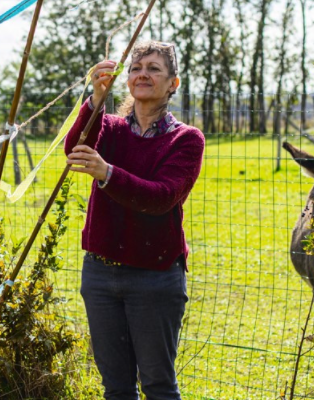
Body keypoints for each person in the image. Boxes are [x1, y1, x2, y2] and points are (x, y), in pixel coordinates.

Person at [64, 41, 204, 400]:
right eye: (136, 68)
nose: (143, 74)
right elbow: (75, 148)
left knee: (158, 385)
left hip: (154, 276)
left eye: (154, 69)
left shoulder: (185, 140)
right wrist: (96, 99)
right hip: (99, 273)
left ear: (173, 83)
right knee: (116, 387)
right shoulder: (109, 128)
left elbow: (161, 197)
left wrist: (107, 173)